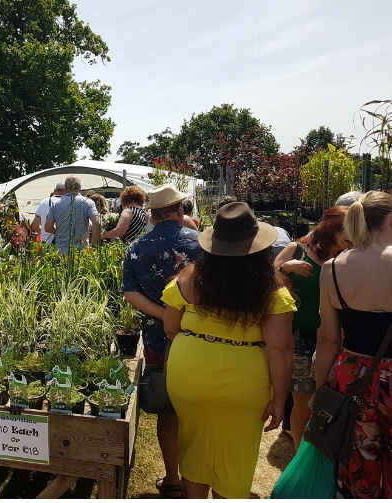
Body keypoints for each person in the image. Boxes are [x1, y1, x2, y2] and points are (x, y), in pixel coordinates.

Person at [162, 202, 295, 499]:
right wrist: (280, 398)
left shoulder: (187, 278)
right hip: (246, 382)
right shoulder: (272, 289)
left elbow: (171, 328)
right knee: (237, 449)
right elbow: (281, 348)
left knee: (194, 443)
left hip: (190, 374)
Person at [121, 183, 202, 499]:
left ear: (152, 214)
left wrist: (166, 317)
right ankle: (197, 476)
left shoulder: (136, 248)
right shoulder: (201, 243)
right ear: (180, 210)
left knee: (169, 409)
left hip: (157, 337)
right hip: (201, 337)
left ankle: (171, 478)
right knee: (200, 409)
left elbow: (130, 293)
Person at [317, 191, 392, 499]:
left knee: (361, 463)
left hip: (352, 377)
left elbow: (328, 338)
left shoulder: (332, 269)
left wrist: (322, 388)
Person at [273, 206, 350, 451]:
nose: (353, 235)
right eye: (347, 229)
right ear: (331, 228)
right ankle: (298, 452)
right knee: (303, 402)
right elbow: (268, 283)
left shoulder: (348, 259)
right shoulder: (298, 250)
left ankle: (319, 451)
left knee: (328, 401)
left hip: (337, 343)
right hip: (302, 341)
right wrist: (287, 268)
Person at [44, 175, 100, 254]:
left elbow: (47, 227)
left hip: (61, 251)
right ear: (80, 187)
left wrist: (60, 231)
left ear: (65, 187)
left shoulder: (55, 204)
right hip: (81, 251)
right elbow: (96, 223)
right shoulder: (88, 203)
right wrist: (93, 245)